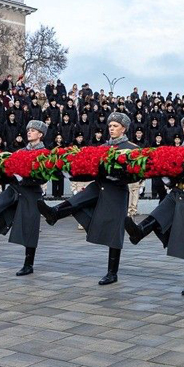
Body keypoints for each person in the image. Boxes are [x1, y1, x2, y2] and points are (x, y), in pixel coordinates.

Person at [38, 112, 137, 284]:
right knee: (79, 199)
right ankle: (54, 213)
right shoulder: (102, 147)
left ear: (124, 128)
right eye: (110, 126)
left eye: (115, 126)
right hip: (99, 186)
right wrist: (71, 173)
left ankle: (112, 273)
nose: (111, 129)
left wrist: (120, 176)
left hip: (117, 190)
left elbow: (136, 174)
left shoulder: (132, 148)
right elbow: (90, 170)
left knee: (115, 232)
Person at [125, 112, 184, 295]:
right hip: (176, 192)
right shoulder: (176, 150)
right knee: (158, 215)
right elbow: (171, 173)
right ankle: (139, 232)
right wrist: (167, 177)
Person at [0, 122, 48, 276]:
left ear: (40, 134)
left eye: (33, 130)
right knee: (10, 192)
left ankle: (28, 264)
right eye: (28, 130)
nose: (29, 132)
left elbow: (43, 177)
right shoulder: (20, 151)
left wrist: (23, 179)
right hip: (17, 189)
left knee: (30, 229)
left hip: (32, 192)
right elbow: (9, 171)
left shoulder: (44, 153)